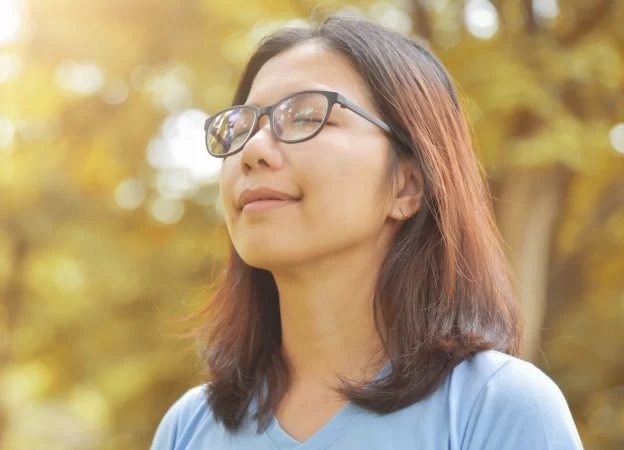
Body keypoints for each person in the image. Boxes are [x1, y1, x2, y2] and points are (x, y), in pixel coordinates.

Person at [151, 10, 583, 450]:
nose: (252, 151)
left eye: (304, 116)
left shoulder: (497, 407)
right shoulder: (187, 429)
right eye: (242, 127)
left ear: (407, 185)